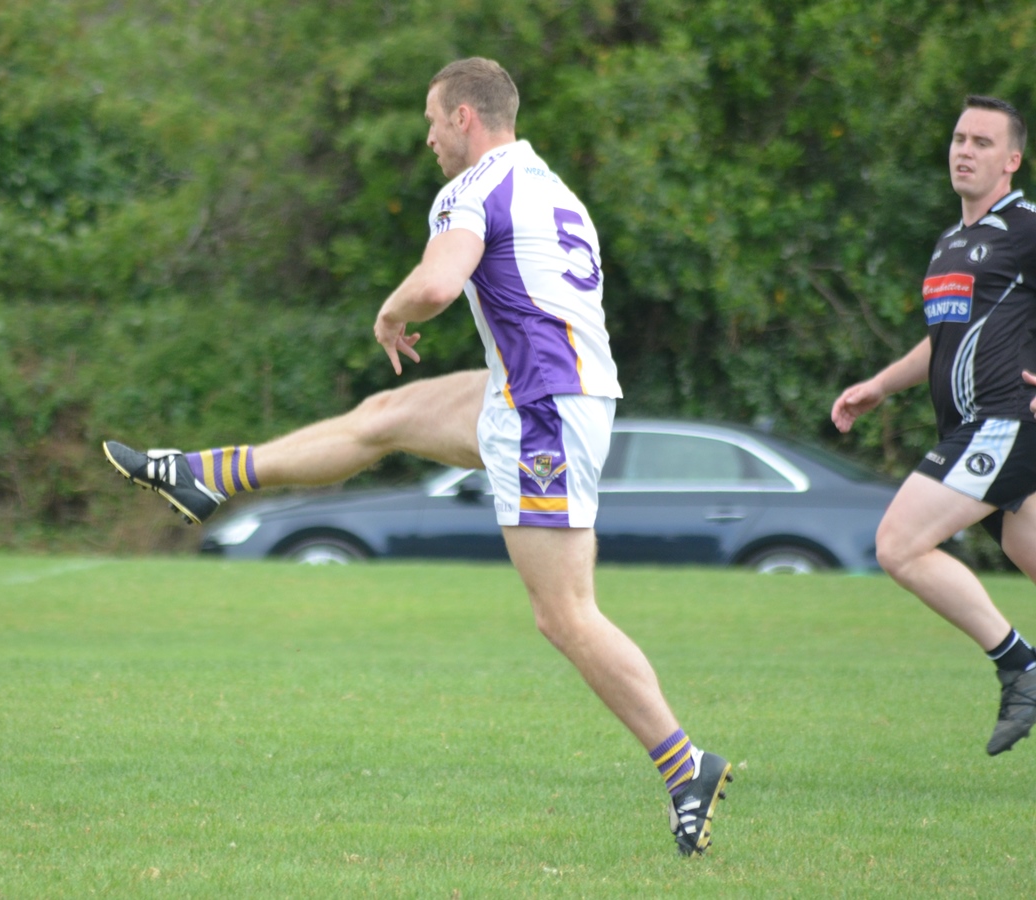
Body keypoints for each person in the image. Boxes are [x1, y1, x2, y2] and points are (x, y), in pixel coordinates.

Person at [104, 58, 732, 856]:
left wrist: (391, 311)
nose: (429, 138)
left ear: (466, 117)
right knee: (384, 416)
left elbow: (437, 285)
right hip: (537, 391)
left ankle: (686, 767)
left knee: (564, 614)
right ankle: (209, 476)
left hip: (543, 411)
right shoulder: (548, 183)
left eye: (434, 121)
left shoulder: (472, 188)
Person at [832, 94, 1036, 756]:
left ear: (1012, 159)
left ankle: (1020, 667)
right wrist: (880, 387)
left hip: (1000, 422)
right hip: (974, 428)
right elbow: (942, 341)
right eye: (958, 139)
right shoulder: (952, 242)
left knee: (899, 545)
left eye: (981, 142)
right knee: (1023, 551)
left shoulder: (1027, 226)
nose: (964, 151)